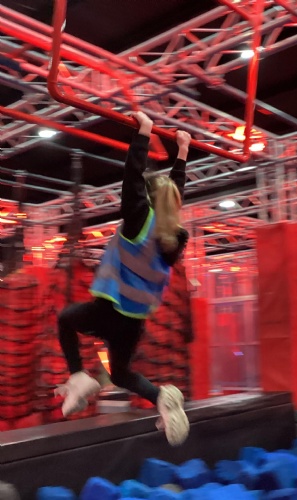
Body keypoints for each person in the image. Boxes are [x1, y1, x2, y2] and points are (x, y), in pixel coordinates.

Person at [56, 111, 191, 447]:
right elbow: (172, 193)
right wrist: (182, 151)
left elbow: (133, 176)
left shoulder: (138, 222)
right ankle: (162, 398)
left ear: (148, 200)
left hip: (110, 310)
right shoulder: (174, 237)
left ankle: (78, 378)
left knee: (65, 320)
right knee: (120, 373)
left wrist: (143, 132)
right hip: (134, 320)